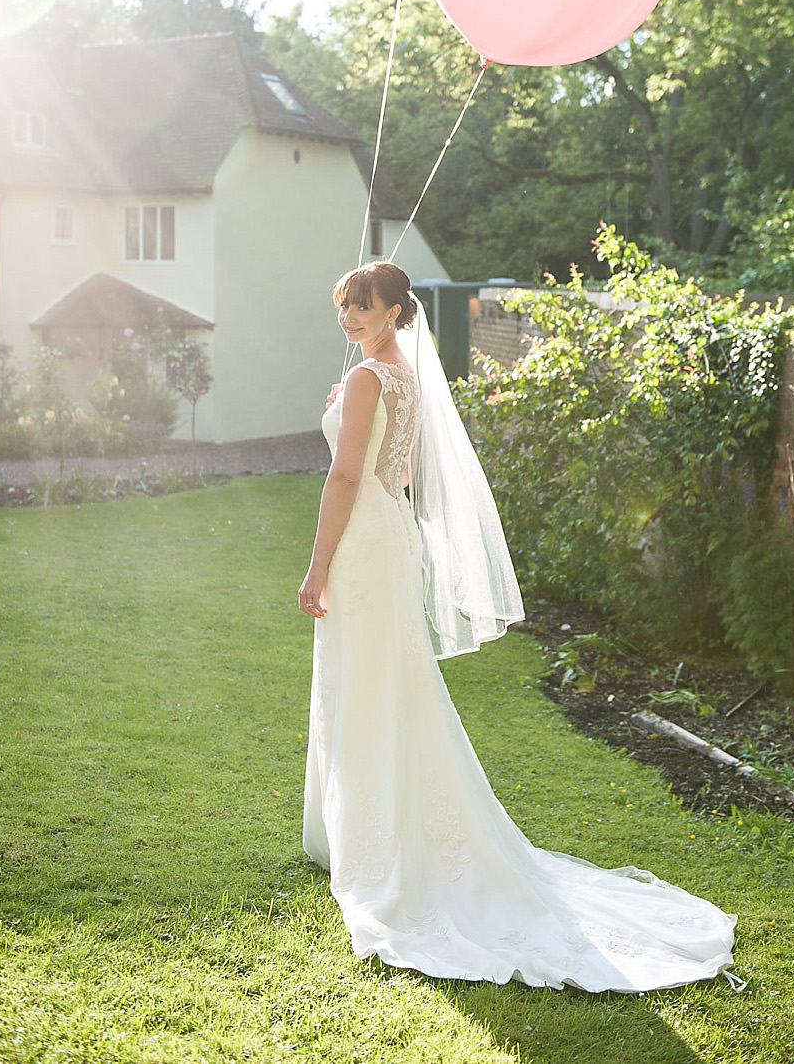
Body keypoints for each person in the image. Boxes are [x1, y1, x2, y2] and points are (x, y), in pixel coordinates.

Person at [299, 260, 736, 991]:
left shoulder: (374, 378)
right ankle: (370, 830)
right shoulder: (396, 373)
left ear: (393, 311)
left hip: (363, 543)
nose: (347, 318)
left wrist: (317, 568)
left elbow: (347, 478)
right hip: (389, 532)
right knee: (386, 682)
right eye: (342, 306)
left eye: (360, 308)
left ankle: (379, 845)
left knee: (371, 682)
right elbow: (390, 475)